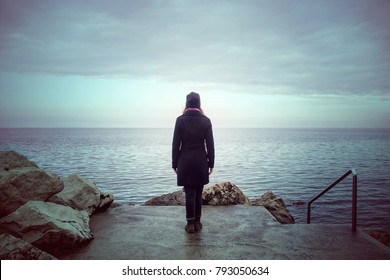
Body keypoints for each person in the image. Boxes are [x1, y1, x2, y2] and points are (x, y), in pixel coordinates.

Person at [172, 92, 215, 233]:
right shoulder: (206, 120)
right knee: (198, 191)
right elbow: (210, 145)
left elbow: (175, 144)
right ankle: (197, 222)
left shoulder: (180, 120)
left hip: (185, 161)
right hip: (201, 162)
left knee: (190, 193)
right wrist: (211, 163)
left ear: (187, 104)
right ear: (199, 104)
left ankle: (190, 224)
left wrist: (174, 163)